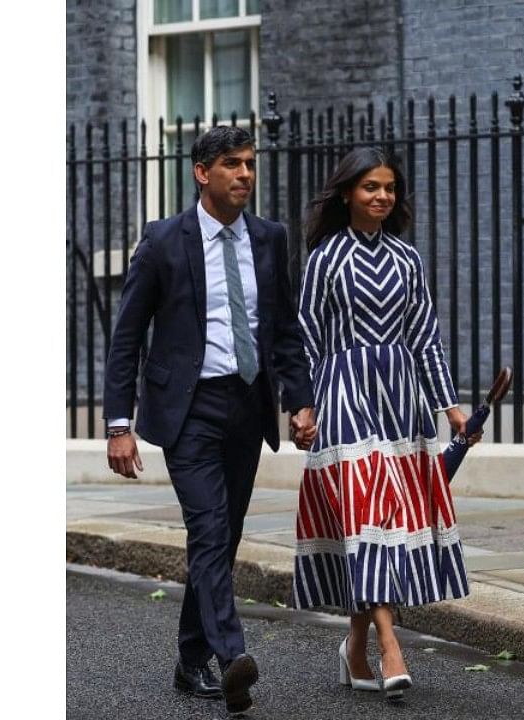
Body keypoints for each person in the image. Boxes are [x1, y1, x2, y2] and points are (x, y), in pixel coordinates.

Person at [102, 125, 316, 716]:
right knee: (210, 530)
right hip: (188, 410)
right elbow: (125, 341)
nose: (244, 174)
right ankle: (231, 657)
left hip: (247, 407)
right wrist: (119, 425)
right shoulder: (164, 241)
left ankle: (189, 658)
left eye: (249, 164)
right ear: (202, 173)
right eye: (231, 164)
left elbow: (284, 332)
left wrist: (300, 400)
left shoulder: (270, 240)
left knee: (223, 536)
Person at [291, 146, 481, 700]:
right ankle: (389, 644)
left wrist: (451, 409)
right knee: (367, 513)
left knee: (380, 525)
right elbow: (306, 336)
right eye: (370, 186)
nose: (381, 196)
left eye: (389, 188)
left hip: (400, 402)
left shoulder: (408, 260)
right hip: (344, 398)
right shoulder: (325, 258)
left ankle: (353, 648)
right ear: (348, 192)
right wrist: (302, 406)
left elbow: (425, 338)